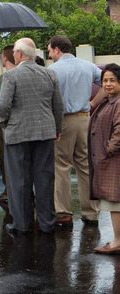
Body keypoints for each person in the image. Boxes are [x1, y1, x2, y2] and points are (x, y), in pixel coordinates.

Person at [0, 38, 63, 235]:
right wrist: (57, 129)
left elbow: (3, 106)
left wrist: (5, 124)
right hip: (44, 132)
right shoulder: (49, 74)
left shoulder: (11, 76)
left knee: (19, 180)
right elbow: (57, 105)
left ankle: (22, 224)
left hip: (18, 133)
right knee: (44, 178)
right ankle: (47, 222)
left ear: (18, 54)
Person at [47, 35, 101, 227]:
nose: (49, 53)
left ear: (56, 49)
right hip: (85, 118)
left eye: (49, 50)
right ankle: (91, 211)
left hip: (64, 120)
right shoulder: (88, 66)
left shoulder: (52, 70)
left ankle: (63, 212)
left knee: (61, 165)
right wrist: (93, 102)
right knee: (85, 165)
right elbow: (105, 82)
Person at [88, 64, 120, 254]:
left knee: (114, 202)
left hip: (113, 160)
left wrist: (109, 150)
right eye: (105, 80)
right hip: (108, 160)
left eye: (112, 80)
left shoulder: (118, 102)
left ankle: (117, 242)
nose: (107, 84)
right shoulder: (109, 100)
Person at [0, 45, 16, 203]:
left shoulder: (7, 77)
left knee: (6, 158)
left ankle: (9, 190)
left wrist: (0, 116)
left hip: (7, 124)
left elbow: (4, 103)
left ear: (5, 57)